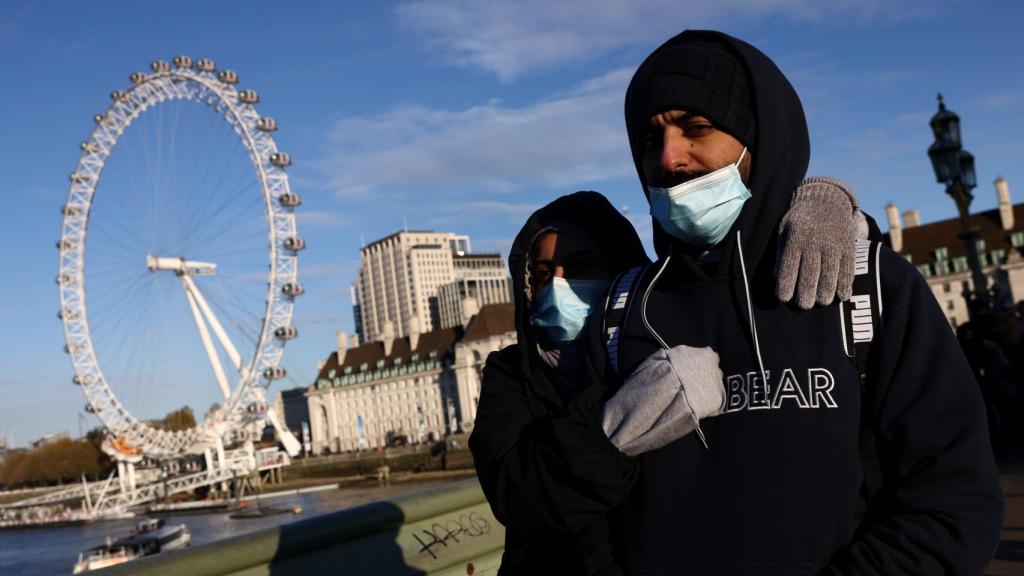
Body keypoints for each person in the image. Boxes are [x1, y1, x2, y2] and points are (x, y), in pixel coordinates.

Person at [600, 29, 1003, 574]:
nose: (670, 158)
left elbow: (952, 500)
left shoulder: (870, 289)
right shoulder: (626, 313)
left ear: (759, 139)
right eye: (650, 139)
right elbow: (587, 517)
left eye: (697, 128)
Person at [470, 191, 648, 574]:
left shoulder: (653, 353)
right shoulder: (510, 373)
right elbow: (515, 494)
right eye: (545, 273)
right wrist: (619, 416)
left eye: (579, 266)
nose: (558, 285)